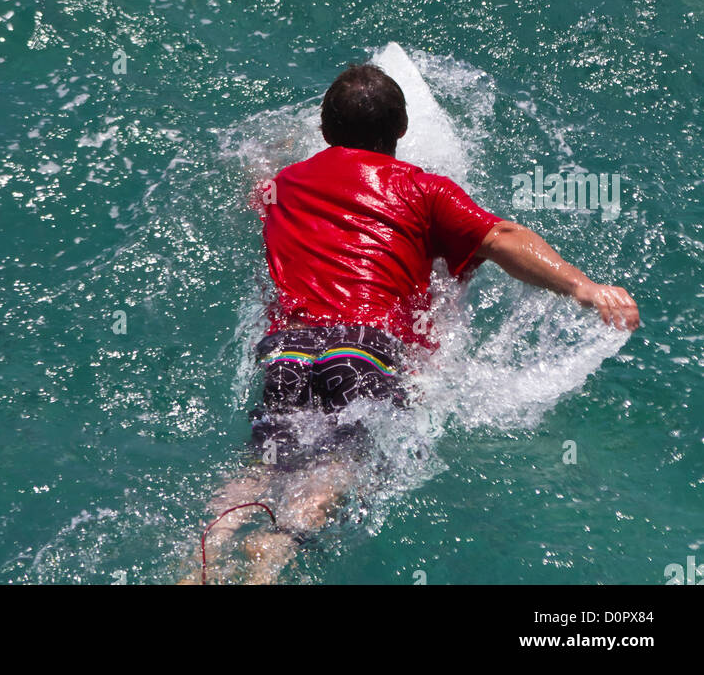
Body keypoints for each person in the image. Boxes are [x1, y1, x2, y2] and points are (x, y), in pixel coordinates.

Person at [193, 63, 639, 584]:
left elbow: (259, 188)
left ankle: (200, 557)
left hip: (288, 349)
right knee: (341, 464)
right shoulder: (424, 190)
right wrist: (584, 287)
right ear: (402, 129)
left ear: (323, 131)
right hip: (365, 349)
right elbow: (502, 236)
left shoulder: (285, 185)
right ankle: (273, 556)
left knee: (261, 466)